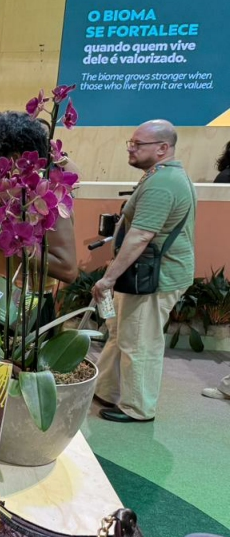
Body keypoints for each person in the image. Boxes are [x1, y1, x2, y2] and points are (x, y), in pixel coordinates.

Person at [92, 120, 196, 423]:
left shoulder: (163, 183)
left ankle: (138, 408)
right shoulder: (162, 176)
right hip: (143, 275)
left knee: (140, 342)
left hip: (153, 279)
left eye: (138, 144)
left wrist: (108, 278)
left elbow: (140, 236)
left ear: (163, 148)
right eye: (131, 142)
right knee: (121, 334)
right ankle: (107, 390)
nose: (131, 148)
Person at [0, 111, 78, 315]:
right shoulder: (7, 194)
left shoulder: (48, 201)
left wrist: (0, 241)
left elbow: (68, 270)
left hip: (25, 308)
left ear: (16, 160)